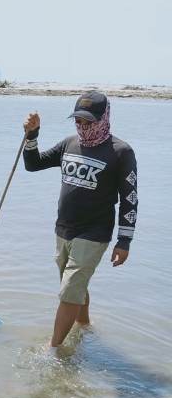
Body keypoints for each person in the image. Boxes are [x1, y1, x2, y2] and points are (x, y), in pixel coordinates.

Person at [22, 91, 137, 347]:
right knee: (73, 285)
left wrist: (124, 241)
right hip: (63, 230)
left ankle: (54, 350)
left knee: (70, 287)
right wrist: (32, 135)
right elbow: (33, 164)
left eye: (89, 122)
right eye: (79, 121)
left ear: (104, 118)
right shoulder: (69, 144)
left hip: (94, 233)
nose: (83, 127)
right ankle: (84, 325)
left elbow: (130, 199)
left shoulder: (121, 152)